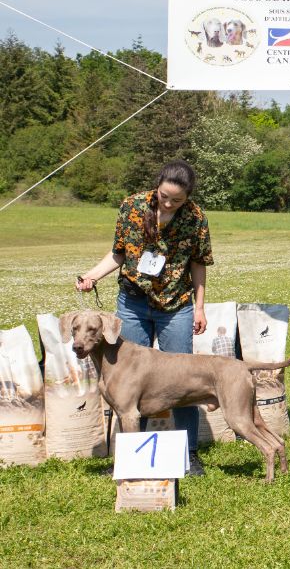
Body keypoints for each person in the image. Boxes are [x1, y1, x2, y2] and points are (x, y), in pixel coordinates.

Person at [75, 159, 213, 475]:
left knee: (186, 381)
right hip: (133, 304)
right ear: (158, 185)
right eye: (165, 195)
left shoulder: (195, 218)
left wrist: (200, 306)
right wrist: (92, 276)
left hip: (175, 305)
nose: (168, 203)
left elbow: (199, 263)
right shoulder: (132, 206)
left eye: (177, 199)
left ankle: (188, 454)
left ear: (188, 197)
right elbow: (119, 252)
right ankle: (132, 458)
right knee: (126, 385)